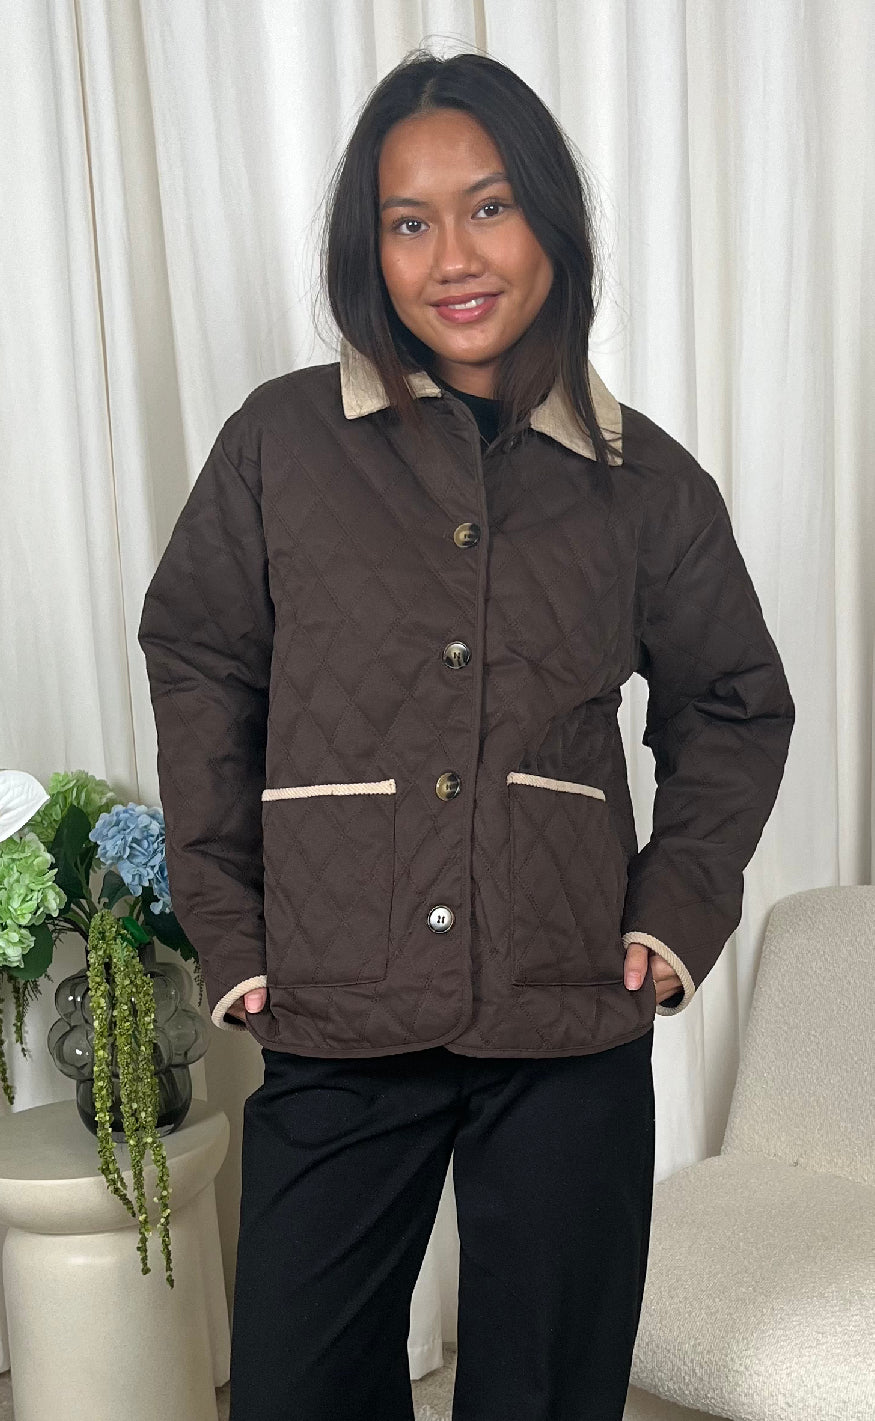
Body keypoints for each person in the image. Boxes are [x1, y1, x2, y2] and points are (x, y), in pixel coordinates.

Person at [137, 47, 795, 1421]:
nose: (453, 258)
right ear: (366, 249)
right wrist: (230, 927)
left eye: (488, 206)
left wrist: (675, 914)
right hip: (337, 1002)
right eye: (408, 221)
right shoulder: (280, 445)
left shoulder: (644, 483)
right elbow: (200, 660)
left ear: (551, 217)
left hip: (566, 1012)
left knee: (546, 1392)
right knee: (298, 1388)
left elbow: (735, 702)